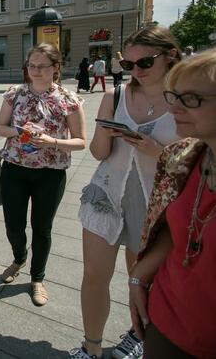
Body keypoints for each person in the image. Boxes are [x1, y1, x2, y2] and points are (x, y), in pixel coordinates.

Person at [70, 25, 182, 359]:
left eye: (144, 63)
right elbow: (99, 153)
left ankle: (138, 335)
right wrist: (107, 130)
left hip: (154, 204)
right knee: (93, 275)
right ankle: (91, 346)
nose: (135, 71)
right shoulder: (115, 95)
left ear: (170, 56)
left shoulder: (185, 99)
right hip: (107, 193)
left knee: (141, 279)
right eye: (128, 64)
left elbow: (197, 161)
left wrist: (154, 150)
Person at [128, 49, 216, 358]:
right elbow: (176, 229)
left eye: (191, 99)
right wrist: (139, 276)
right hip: (166, 320)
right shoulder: (185, 158)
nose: (174, 107)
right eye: (174, 95)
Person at [0, 43, 86, 307]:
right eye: (31, 66)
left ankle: (37, 278)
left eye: (41, 66)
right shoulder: (15, 94)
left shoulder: (68, 99)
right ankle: (19, 257)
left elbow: (80, 141)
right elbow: (1, 128)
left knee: (42, 229)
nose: (35, 71)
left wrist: (51, 142)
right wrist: (19, 131)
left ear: (56, 68)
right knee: (13, 225)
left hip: (50, 173)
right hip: (14, 169)